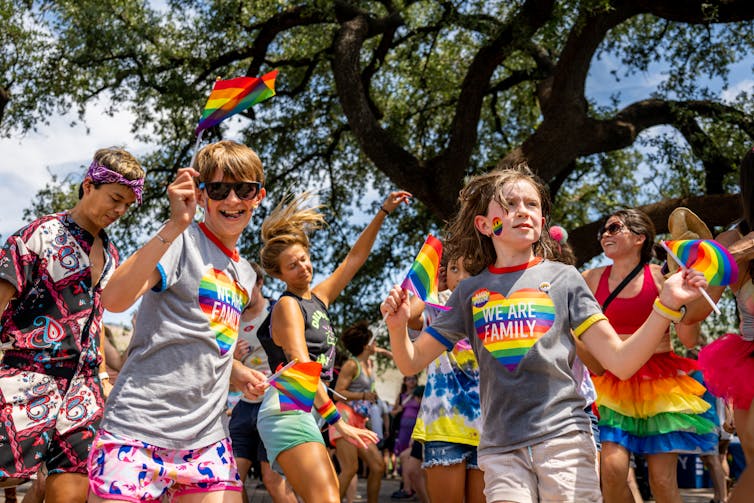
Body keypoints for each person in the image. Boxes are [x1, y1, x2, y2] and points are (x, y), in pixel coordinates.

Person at [380, 166, 708, 503]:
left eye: (532, 204)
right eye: (509, 204)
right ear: (483, 224)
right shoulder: (469, 294)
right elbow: (410, 362)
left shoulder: (566, 279)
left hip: (565, 443)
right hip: (500, 450)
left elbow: (621, 362)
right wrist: (397, 325)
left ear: (541, 220)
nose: (522, 210)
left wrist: (666, 305)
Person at [86, 140, 269, 503]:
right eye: (218, 189)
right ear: (201, 196)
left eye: (243, 189)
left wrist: (238, 372)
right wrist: (175, 223)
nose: (232, 200)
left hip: (206, 440)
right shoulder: (180, 241)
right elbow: (114, 299)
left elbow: (204, 339)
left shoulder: (246, 275)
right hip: (137, 429)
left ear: (258, 196)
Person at [0, 147, 145, 503]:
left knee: (72, 490)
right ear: (88, 185)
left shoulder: (112, 255)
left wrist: (105, 380)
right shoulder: (39, 235)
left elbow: (96, 320)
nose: (119, 211)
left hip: (84, 390)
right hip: (25, 378)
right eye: (115, 199)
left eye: (127, 205)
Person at [256, 190, 411, 503]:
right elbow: (301, 364)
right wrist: (339, 422)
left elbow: (354, 259)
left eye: (303, 259)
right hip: (288, 407)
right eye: (292, 265)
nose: (302, 267)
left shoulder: (318, 298)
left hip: (306, 409)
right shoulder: (286, 306)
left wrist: (382, 211)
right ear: (279, 274)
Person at [581, 208, 718, 503]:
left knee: (663, 480)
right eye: (603, 230)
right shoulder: (588, 279)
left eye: (614, 227)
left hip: (660, 383)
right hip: (610, 382)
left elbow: (688, 338)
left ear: (639, 237)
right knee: (613, 471)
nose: (606, 233)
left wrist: (693, 303)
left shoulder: (662, 278)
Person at [408, 254, 484, 503]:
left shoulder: (494, 307)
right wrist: (430, 288)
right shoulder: (436, 307)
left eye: (470, 270)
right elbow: (410, 315)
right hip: (444, 425)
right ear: (444, 275)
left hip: (489, 428)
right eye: (454, 269)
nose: (461, 277)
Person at [230, 262, 297, 503]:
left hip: (273, 404)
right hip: (243, 406)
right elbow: (223, 378)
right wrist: (233, 361)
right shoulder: (231, 320)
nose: (243, 292)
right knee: (231, 479)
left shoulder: (277, 310)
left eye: (248, 285)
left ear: (260, 283)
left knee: (273, 481)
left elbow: (297, 355)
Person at [332, 321, 386, 503]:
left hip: (360, 421)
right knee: (350, 468)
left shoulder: (368, 364)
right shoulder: (351, 365)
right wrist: (363, 394)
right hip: (345, 418)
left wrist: (370, 395)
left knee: (378, 466)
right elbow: (338, 394)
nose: (377, 344)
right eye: (374, 341)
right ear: (366, 345)